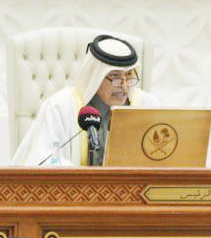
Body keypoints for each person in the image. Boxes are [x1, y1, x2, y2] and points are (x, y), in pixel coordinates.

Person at [11, 34, 159, 166]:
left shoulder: (147, 105)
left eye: (128, 76)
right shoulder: (61, 106)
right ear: (96, 76)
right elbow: (44, 160)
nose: (124, 87)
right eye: (115, 77)